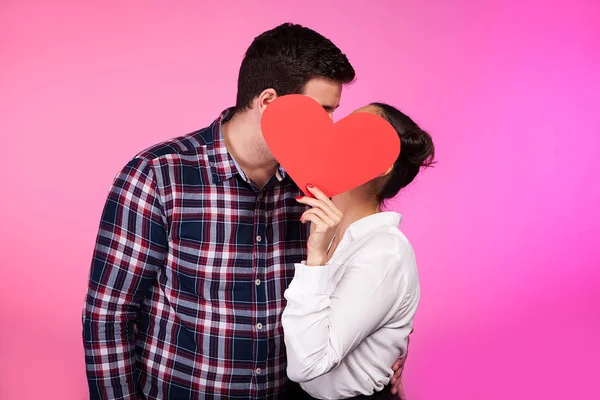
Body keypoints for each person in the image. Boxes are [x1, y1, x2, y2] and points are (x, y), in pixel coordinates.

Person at [82, 24, 408, 399]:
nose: (329, 128)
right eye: (322, 111)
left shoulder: (320, 190)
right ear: (269, 102)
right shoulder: (159, 175)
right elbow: (108, 314)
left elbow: (354, 293)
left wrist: (385, 352)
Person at [281, 103, 435, 400]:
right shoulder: (325, 228)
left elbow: (308, 364)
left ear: (381, 164)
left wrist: (315, 263)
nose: (333, 134)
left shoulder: (384, 253)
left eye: (354, 132)